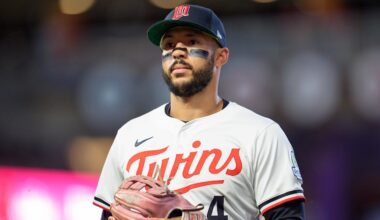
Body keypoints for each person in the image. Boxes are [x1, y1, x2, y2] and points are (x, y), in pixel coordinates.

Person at [93, 4, 306, 220]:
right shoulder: (130, 135)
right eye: (168, 44)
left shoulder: (261, 133)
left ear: (221, 56)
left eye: (191, 41)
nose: (177, 51)